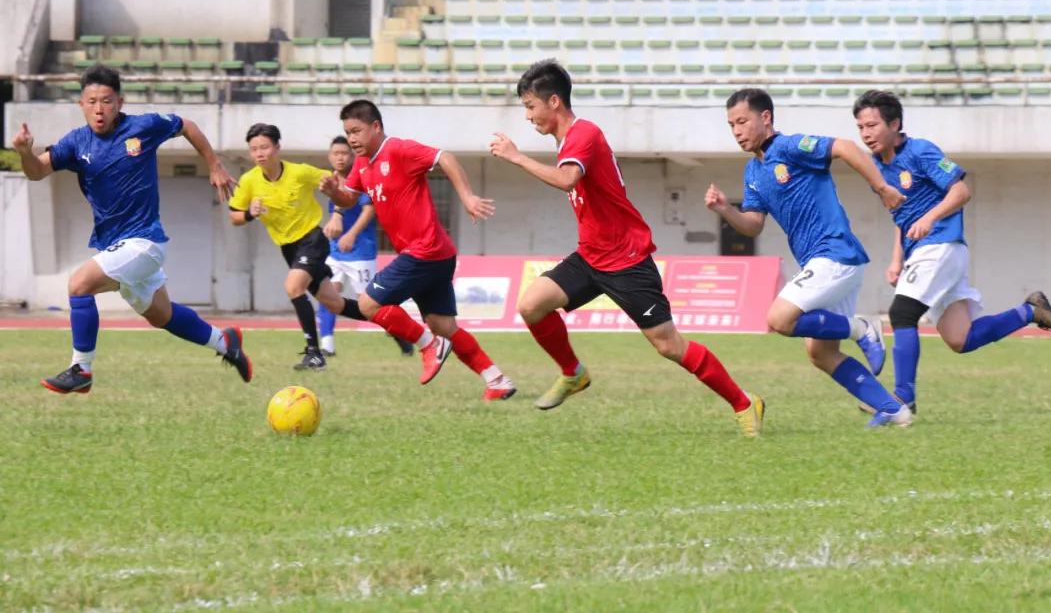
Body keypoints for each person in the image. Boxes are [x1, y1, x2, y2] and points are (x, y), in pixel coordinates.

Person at [489, 60, 765, 437]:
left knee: (669, 346)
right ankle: (573, 373)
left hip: (626, 260)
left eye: (530, 106)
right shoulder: (568, 140)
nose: (527, 116)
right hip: (591, 255)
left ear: (553, 102)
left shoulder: (584, 134)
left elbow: (568, 179)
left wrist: (516, 156)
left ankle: (745, 403)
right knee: (531, 304)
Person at [10, 64, 251, 394]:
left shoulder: (144, 126)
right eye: (92, 101)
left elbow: (187, 126)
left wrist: (214, 164)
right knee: (161, 315)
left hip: (145, 241)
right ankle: (226, 342)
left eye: (106, 101)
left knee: (79, 285)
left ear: (120, 102)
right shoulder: (75, 143)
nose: (99, 108)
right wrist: (24, 152)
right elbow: (36, 171)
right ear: (81, 104)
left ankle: (81, 368)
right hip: (117, 245)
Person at [854, 89, 1051, 425]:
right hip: (923, 252)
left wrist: (930, 218)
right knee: (960, 338)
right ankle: (1030, 310)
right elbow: (902, 216)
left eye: (872, 125)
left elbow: (961, 191)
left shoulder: (921, 151)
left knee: (902, 313)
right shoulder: (877, 171)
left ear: (895, 123)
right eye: (861, 127)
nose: (866, 133)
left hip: (941, 246)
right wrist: (897, 259)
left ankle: (902, 400)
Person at [705, 88, 912, 428]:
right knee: (821, 353)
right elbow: (753, 226)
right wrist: (725, 208)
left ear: (766, 118)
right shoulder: (753, 172)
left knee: (778, 319)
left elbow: (844, 147)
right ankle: (894, 410)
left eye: (743, 121)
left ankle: (861, 327)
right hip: (825, 263)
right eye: (731, 125)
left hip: (835, 254)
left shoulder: (790, 147)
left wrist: (882, 187)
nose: (737, 131)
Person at [319, 100, 516, 400]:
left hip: (425, 250)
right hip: (435, 254)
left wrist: (467, 197)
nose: (352, 139)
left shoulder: (397, 149)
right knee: (443, 325)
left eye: (357, 130)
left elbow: (445, 158)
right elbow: (349, 198)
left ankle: (428, 344)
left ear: (376, 126)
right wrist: (335, 192)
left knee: (369, 304)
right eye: (348, 133)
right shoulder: (362, 163)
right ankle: (497, 379)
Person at [228, 123, 369, 370]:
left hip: (312, 240)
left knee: (293, 287)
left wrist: (336, 214)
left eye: (264, 147)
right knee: (333, 302)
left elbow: (339, 185)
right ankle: (388, 320)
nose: (260, 153)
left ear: (277, 148)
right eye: (254, 149)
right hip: (289, 249)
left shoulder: (300, 172)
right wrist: (250, 213)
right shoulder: (249, 181)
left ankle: (314, 353)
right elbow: (234, 217)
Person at [316, 136, 414, 358]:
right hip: (334, 251)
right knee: (326, 293)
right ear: (329, 156)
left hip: (359, 251)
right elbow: (336, 211)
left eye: (344, 153)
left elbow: (369, 209)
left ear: (352, 155)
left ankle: (401, 335)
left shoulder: (361, 176)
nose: (340, 157)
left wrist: (350, 234)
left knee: (370, 305)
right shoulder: (330, 180)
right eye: (335, 153)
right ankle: (327, 345)